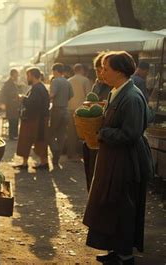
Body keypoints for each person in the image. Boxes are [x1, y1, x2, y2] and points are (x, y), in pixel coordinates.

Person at [83, 51, 154, 265]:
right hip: (112, 159)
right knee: (110, 205)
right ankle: (115, 249)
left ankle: (125, 255)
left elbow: (130, 134)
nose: (102, 72)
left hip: (125, 162)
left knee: (123, 208)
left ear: (120, 71)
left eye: (106, 68)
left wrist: (103, 133)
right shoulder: (117, 91)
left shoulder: (132, 97)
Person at [83, 52, 112, 192]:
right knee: (92, 173)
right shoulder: (97, 84)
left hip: (105, 136)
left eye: (101, 70)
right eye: (98, 70)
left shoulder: (115, 87)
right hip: (93, 135)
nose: (99, 73)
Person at [14, 67, 50, 169]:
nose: (27, 78)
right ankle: (25, 163)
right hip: (33, 119)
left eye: (28, 76)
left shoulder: (38, 88)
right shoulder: (38, 87)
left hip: (36, 119)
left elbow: (34, 104)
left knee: (39, 141)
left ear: (33, 76)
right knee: (26, 140)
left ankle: (43, 162)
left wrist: (23, 99)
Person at [49, 63, 73, 166]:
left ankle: (55, 151)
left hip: (56, 110)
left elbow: (52, 94)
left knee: (50, 134)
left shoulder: (55, 81)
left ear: (56, 71)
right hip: (66, 110)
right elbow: (71, 95)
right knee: (61, 135)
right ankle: (56, 158)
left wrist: (48, 99)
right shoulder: (67, 82)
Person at [66, 63, 92, 159]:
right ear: (82, 70)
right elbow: (89, 96)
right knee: (82, 133)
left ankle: (71, 153)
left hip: (70, 109)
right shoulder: (85, 80)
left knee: (71, 132)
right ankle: (82, 153)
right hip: (82, 110)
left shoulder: (68, 81)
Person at [0, 69, 22, 140]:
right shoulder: (8, 83)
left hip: (14, 105)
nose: (17, 76)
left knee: (15, 119)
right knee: (12, 119)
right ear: (13, 74)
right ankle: (12, 135)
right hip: (11, 105)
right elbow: (4, 94)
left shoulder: (14, 82)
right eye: (17, 74)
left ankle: (14, 134)